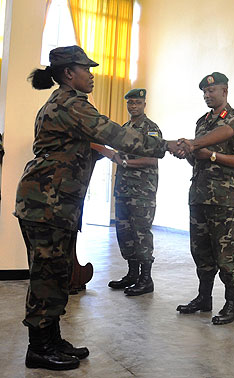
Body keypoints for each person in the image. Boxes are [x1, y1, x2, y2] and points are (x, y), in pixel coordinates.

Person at [15, 45, 182, 371]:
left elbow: (89, 143)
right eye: (86, 70)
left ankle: (52, 339)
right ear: (68, 74)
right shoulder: (71, 104)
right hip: (45, 204)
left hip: (53, 202)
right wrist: (168, 146)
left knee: (57, 273)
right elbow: (117, 135)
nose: (91, 75)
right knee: (46, 277)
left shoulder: (63, 104)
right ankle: (38, 348)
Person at [176, 72, 234, 325]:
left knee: (226, 254)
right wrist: (188, 153)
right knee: (201, 251)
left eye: (212, 91)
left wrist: (211, 156)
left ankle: (232, 304)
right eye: (205, 92)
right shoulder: (202, 121)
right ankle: (204, 298)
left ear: (225, 91)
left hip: (225, 199)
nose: (208, 95)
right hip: (198, 195)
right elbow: (197, 156)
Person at [107, 88, 161, 296]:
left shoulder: (151, 129)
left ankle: (146, 279)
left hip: (142, 191)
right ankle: (132, 274)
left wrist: (126, 162)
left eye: (137, 103)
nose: (133, 106)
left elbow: (153, 158)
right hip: (123, 189)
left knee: (141, 233)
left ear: (144, 104)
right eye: (130, 103)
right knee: (124, 232)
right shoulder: (125, 127)